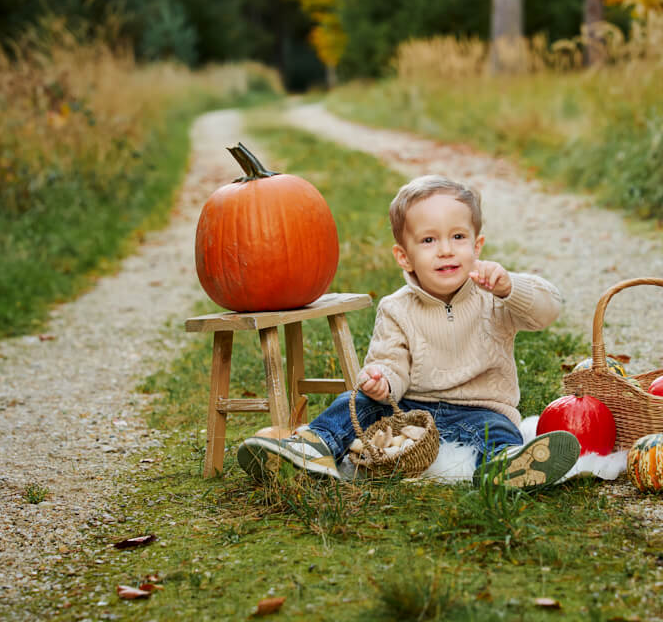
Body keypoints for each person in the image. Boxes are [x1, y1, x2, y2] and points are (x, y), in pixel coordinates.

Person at [237, 174, 580, 490]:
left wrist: (511, 287)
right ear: (404, 257)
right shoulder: (396, 307)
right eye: (429, 240)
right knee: (354, 401)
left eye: (458, 237)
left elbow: (547, 311)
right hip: (408, 406)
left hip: (479, 408)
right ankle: (315, 445)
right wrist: (382, 380)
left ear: (477, 246)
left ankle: (505, 466)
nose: (446, 249)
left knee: (500, 430)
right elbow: (391, 360)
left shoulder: (494, 295)